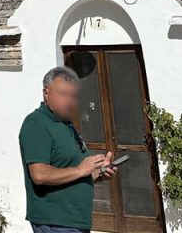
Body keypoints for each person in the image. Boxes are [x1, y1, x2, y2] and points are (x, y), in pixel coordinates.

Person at [19, 66, 116, 233]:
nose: (70, 101)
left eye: (74, 96)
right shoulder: (37, 124)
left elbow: (75, 173)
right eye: (63, 94)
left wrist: (99, 172)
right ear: (46, 94)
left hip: (74, 222)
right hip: (55, 223)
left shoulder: (66, 125)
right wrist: (80, 170)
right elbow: (40, 174)